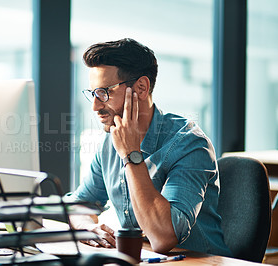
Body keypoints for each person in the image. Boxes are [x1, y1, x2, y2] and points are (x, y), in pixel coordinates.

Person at [67, 38, 231, 256]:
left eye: (104, 93)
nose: (95, 106)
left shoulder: (190, 145)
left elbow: (163, 237)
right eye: (92, 94)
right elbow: (79, 205)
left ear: (141, 88)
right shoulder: (110, 142)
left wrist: (131, 155)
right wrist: (87, 226)